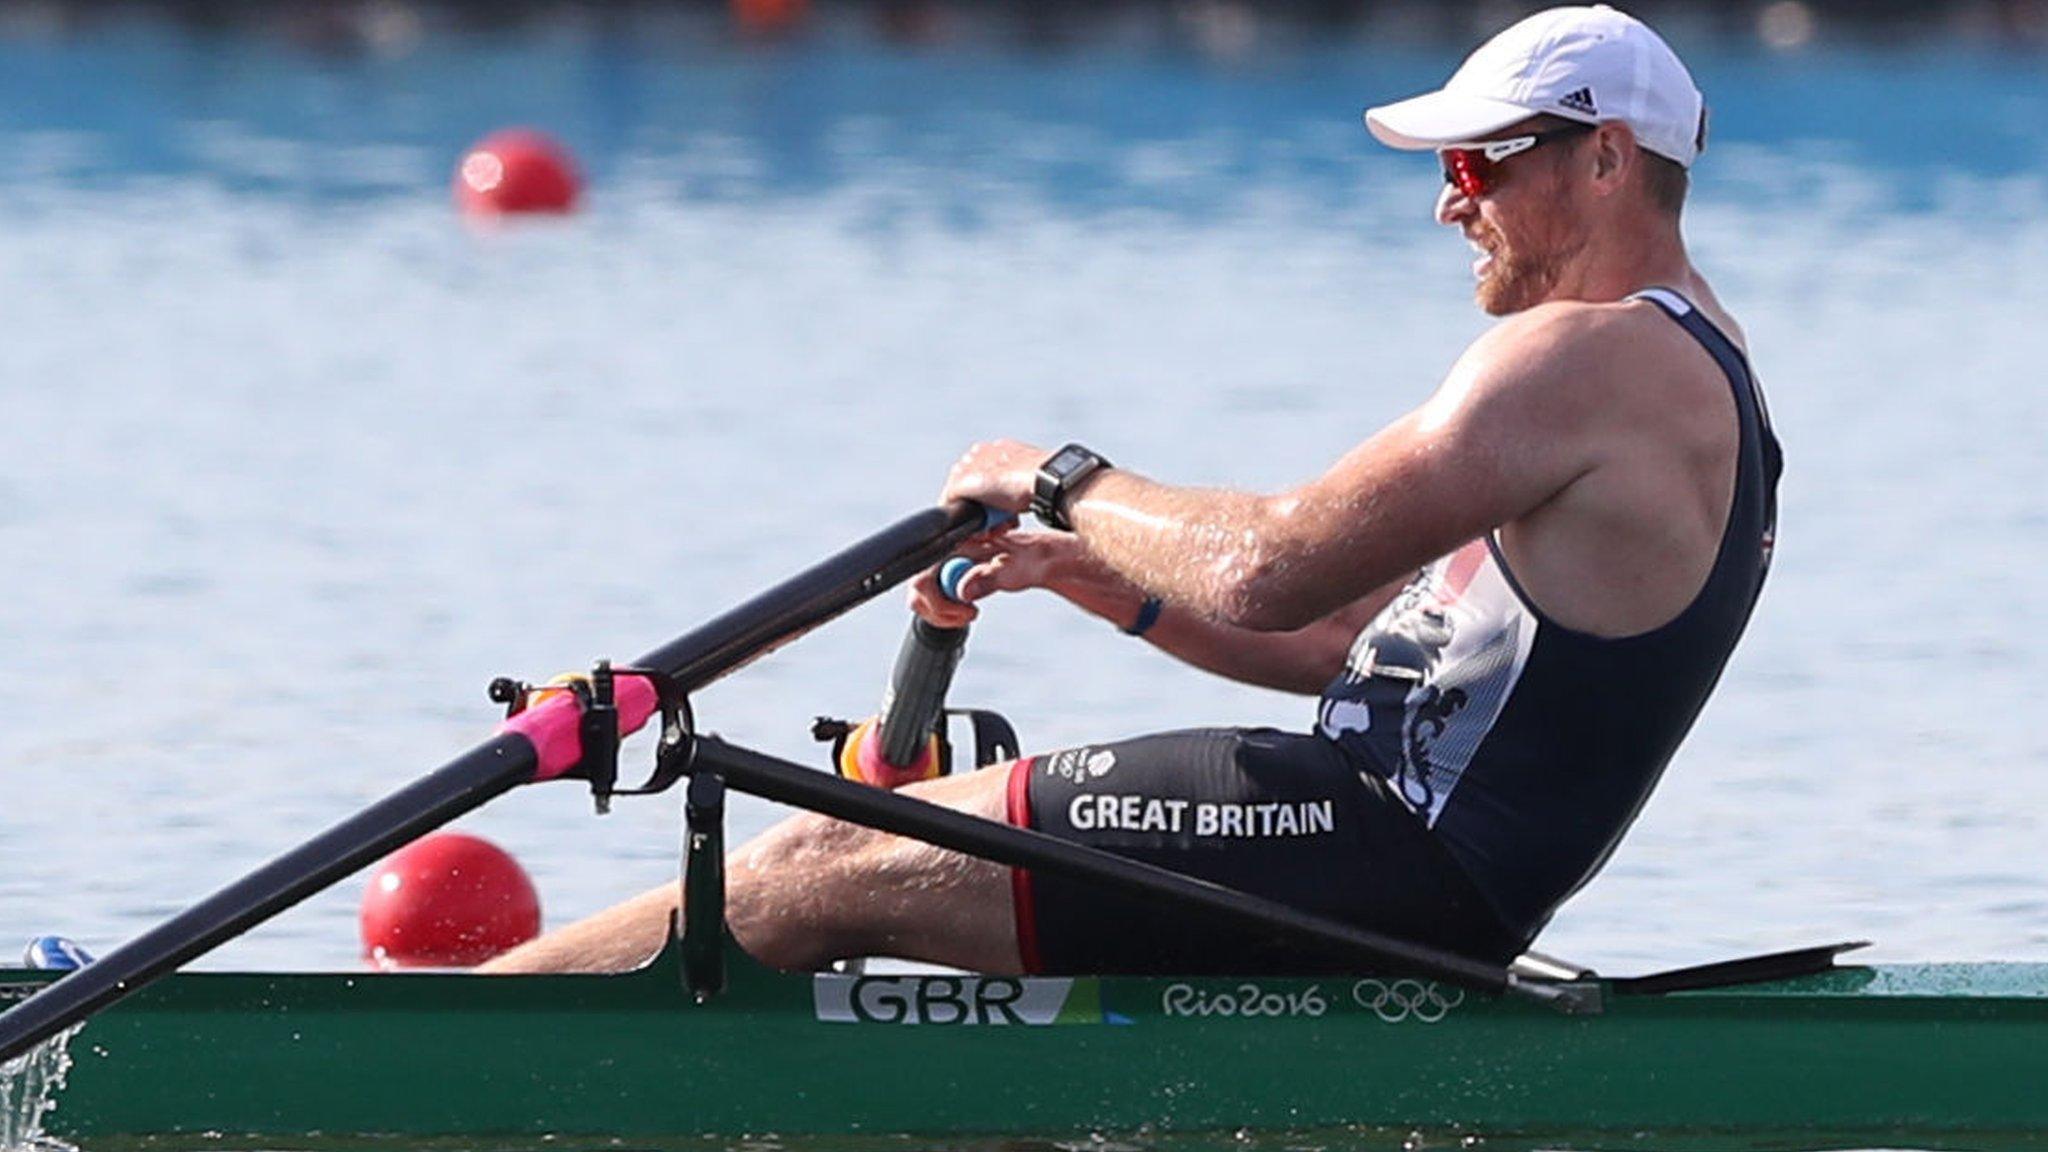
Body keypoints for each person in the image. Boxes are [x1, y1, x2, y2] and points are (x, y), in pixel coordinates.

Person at [484, 4, 1779, 977]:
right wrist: (1111, 584)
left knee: (826, 856)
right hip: (1386, 851)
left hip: (1386, 855)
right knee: (877, 828)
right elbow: (1341, 643)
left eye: (1477, 166)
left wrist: (1059, 480)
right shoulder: (1692, 382)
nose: (1451, 206)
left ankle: (445, 1054)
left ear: (1605, 160)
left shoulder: (1593, 358)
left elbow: (1271, 565)